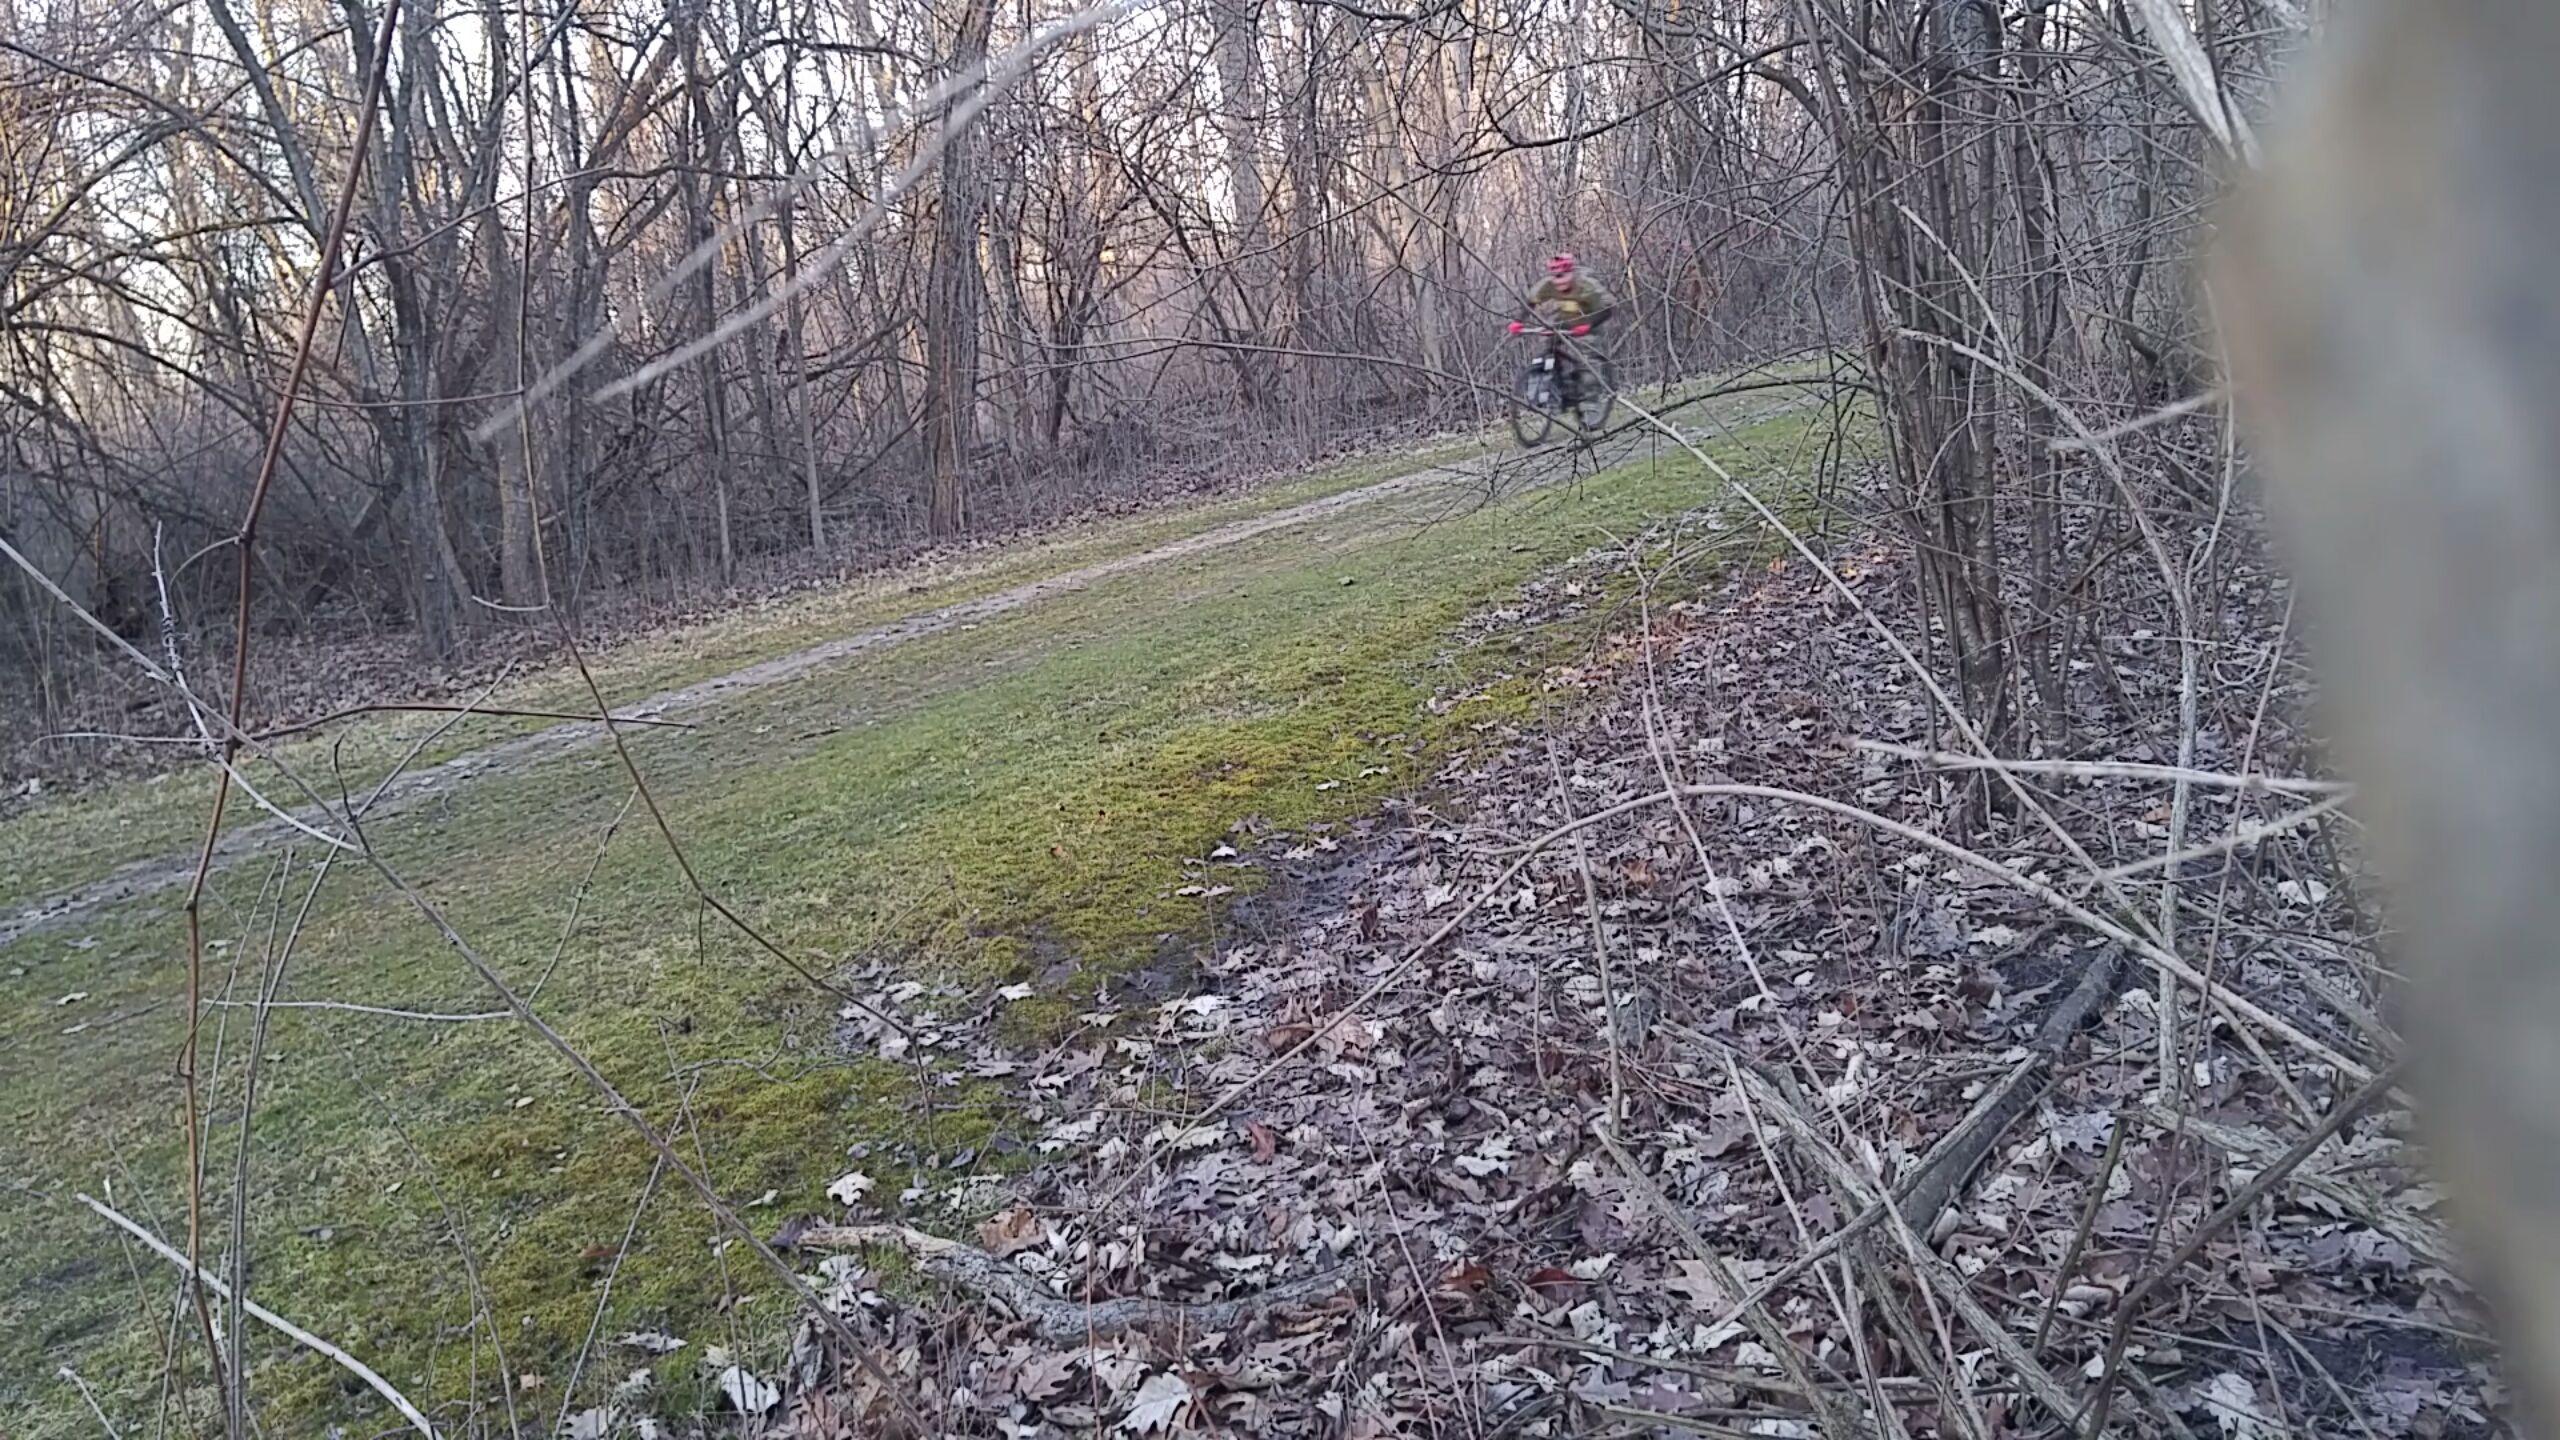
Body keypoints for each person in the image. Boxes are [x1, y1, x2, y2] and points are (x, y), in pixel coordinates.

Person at [1508, 253, 1617, 410]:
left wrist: (1588, 326)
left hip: (1590, 320)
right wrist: (1518, 322)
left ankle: (1591, 398)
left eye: (1563, 276)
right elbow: (1530, 301)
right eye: (1555, 276)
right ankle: (1554, 380)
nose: (1559, 281)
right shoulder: (1548, 285)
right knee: (1546, 340)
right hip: (1564, 320)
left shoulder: (1586, 286)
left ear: (1571, 272)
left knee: (1587, 355)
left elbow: (1609, 308)